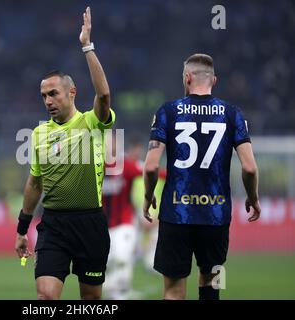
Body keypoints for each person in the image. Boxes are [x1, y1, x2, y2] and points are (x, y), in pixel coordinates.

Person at [14, 7, 115, 300]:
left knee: (92, 300)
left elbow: (105, 95)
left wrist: (87, 46)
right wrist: (22, 229)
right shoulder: (39, 134)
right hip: (53, 225)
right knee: (46, 297)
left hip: (90, 223)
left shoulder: (91, 122)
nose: (48, 100)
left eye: (53, 93)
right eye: (44, 95)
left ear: (71, 92)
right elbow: (34, 184)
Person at [143, 53, 261, 300]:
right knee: (211, 282)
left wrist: (148, 195)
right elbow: (249, 168)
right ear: (214, 80)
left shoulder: (168, 111)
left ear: (187, 77)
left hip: (176, 213)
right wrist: (253, 197)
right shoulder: (232, 114)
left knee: (173, 292)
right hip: (215, 216)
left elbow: (152, 166)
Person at [102, 135, 144, 300]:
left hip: (124, 222)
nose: (108, 145)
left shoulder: (126, 164)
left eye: (111, 141)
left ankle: (120, 292)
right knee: (106, 261)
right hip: (101, 225)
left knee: (122, 256)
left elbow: (150, 170)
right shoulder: (94, 166)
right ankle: (113, 288)